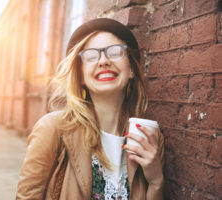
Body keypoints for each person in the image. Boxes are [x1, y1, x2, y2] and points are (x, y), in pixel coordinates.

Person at [16, 18, 164, 200]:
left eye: (115, 52)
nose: (103, 61)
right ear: (81, 76)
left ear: (132, 69)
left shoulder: (149, 138)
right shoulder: (53, 128)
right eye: (91, 56)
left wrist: (156, 182)